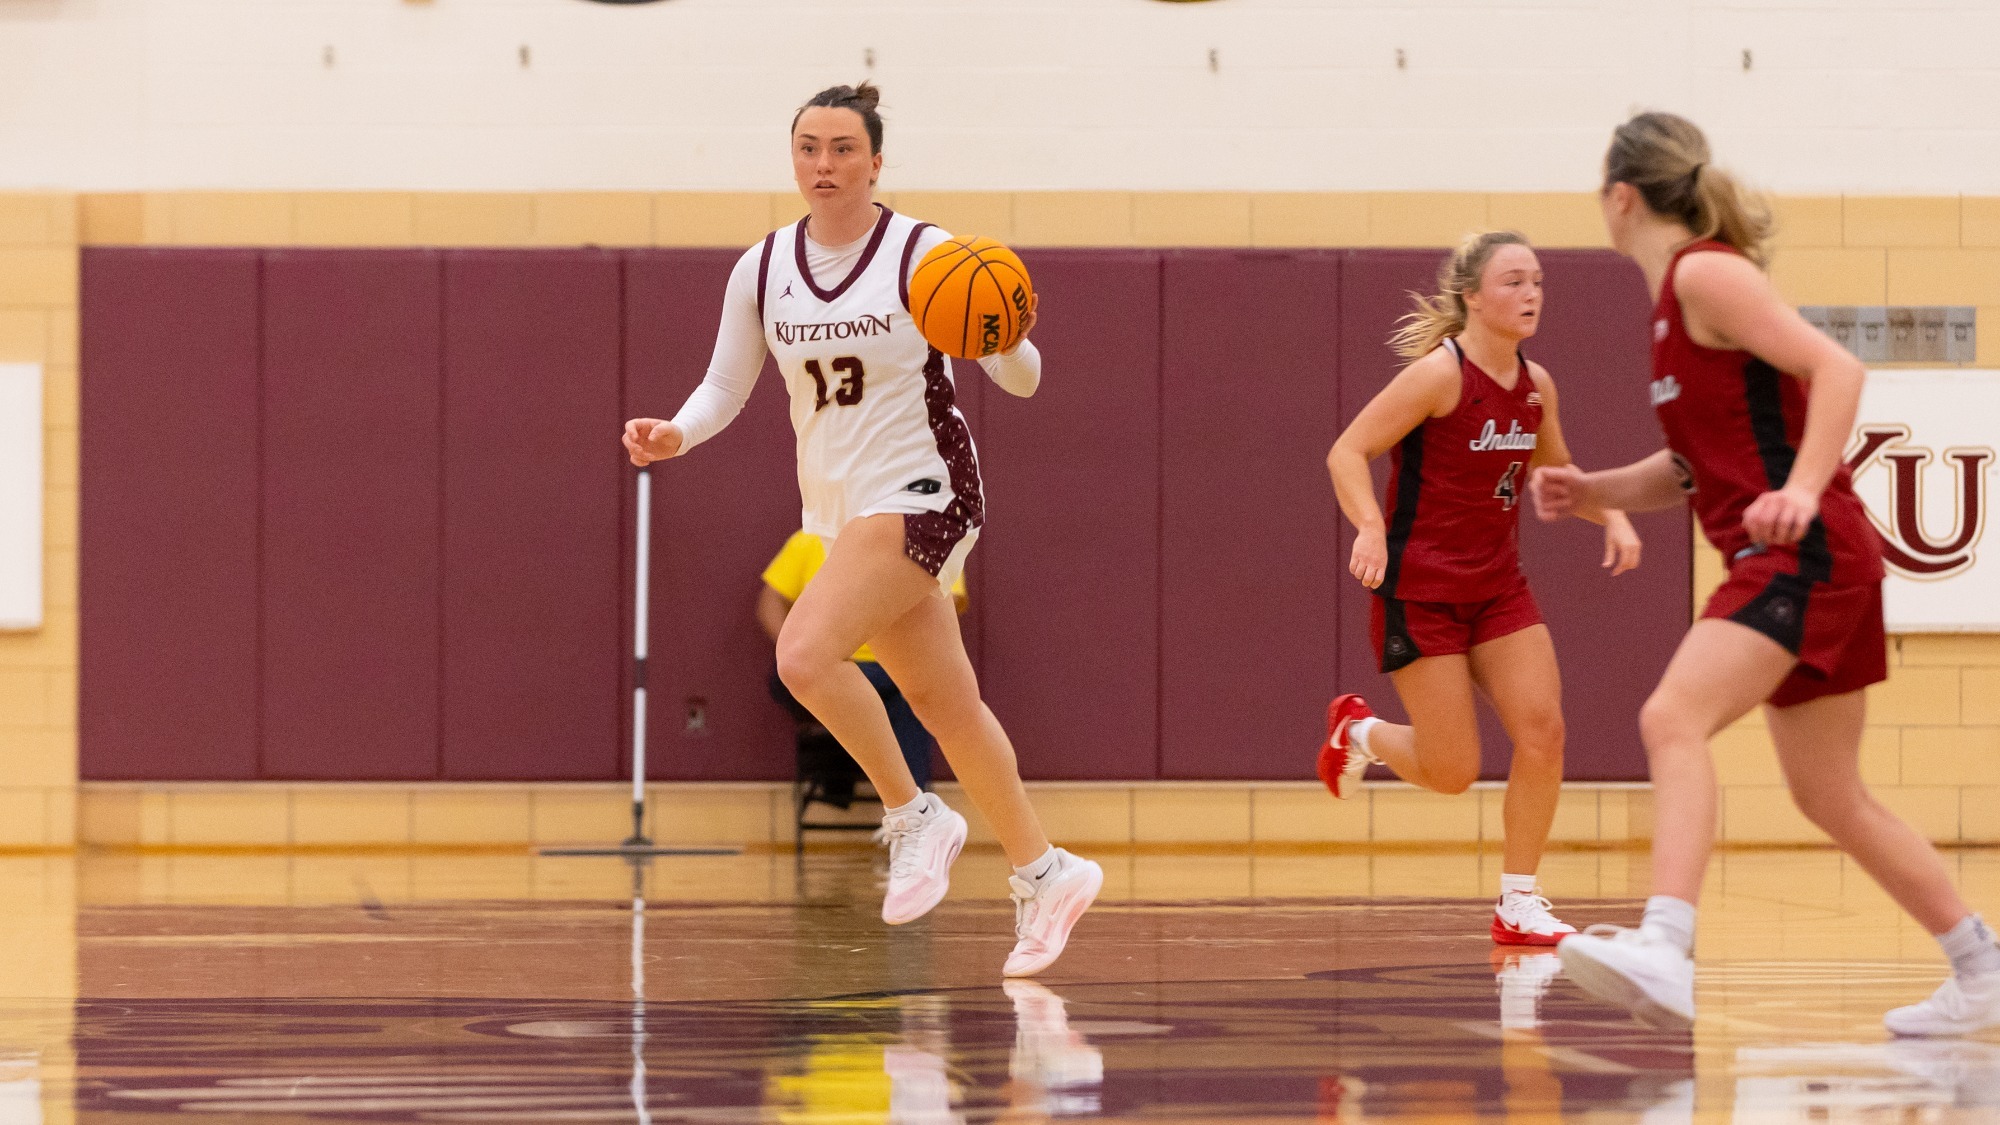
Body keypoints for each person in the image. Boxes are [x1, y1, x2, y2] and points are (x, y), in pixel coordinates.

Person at [622, 82, 1101, 978]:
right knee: (947, 706)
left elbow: (1024, 378)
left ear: (876, 162)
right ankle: (1047, 870)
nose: (824, 164)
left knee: (803, 655)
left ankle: (914, 815)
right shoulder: (763, 267)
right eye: (809, 147)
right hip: (843, 508)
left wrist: (1006, 334)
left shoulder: (927, 254)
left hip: (927, 487)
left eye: (843, 148)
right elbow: (724, 387)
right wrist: (676, 432)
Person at [1536, 111, 2000, 1034]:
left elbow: (1839, 370)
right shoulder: (1672, 306)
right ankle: (1982, 966)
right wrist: (1594, 489)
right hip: (1822, 555)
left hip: (1804, 550)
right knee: (1830, 794)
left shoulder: (1704, 273)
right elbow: (1691, 466)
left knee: (1671, 716)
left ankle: (1665, 944)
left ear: (1620, 197)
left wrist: (1800, 488)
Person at [1319, 231, 1643, 946]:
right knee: (1453, 770)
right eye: (1513, 281)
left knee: (1544, 730)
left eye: (1538, 282)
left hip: (1498, 590)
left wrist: (1612, 513)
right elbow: (1348, 450)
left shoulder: (1536, 385)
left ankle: (1518, 902)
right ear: (1471, 295)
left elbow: (1555, 477)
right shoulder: (1440, 376)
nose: (1531, 294)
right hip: (1420, 591)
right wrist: (1369, 526)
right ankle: (1358, 731)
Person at [760, 527, 970, 797]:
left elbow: (948, 601)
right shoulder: (810, 539)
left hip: (893, 668)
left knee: (914, 692)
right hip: (831, 664)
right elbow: (770, 601)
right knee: (794, 674)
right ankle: (861, 765)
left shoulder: (923, 535)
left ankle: (914, 805)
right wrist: (793, 647)